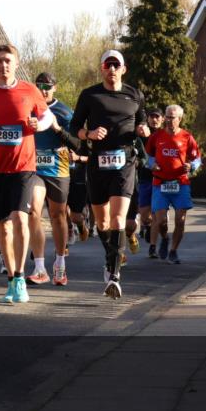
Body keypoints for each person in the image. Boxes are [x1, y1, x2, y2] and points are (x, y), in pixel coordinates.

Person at [0, 44, 65, 304]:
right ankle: (12, 279)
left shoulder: (29, 91)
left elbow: (46, 117)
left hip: (24, 167)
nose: (3, 65)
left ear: (16, 64)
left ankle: (20, 277)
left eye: (8, 60)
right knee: (2, 228)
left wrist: (37, 123)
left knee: (21, 218)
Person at [69, 50, 150, 299]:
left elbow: (143, 123)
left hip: (124, 162)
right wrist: (89, 134)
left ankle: (114, 276)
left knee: (117, 220)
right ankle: (110, 256)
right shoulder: (90, 95)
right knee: (102, 223)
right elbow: (74, 129)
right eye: (108, 64)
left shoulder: (135, 94)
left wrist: (143, 130)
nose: (112, 69)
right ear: (102, 68)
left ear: (123, 69)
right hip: (97, 163)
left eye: (116, 65)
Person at [28, 72, 79, 286]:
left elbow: (76, 142)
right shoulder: (28, 107)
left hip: (58, 168)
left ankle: (60, 263)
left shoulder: (65, 112)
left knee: (58, 216)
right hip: (34, 169)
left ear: (55, 87)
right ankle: (39, 268)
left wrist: (58, 130)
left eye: (47, 86)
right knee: (33, 212)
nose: (43, 90)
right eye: (40, 86)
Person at [146, 104, 201, 265]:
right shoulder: (156, 137)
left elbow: (197, 158)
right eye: (167, 117)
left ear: (180, 119)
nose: (169, 120)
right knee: (161, 221)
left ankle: (173, 250)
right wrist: (152, 164)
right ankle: (164, 238)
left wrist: (192, 166)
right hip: (160, 183)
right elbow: (148, 155)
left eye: (173, 117)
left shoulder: (187, 137)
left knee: (180, 220)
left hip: (180, 183)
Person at [139, 110, 169, 259]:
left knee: (159, 216)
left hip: (161, 179)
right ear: (148, 119)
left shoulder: (166, 135)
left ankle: (154, 246)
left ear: (162, 119)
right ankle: (150, 228)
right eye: (152, 117)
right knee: (145, 216)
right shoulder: (141, 133)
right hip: (144, 179)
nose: (154, 120)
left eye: (157, 117)